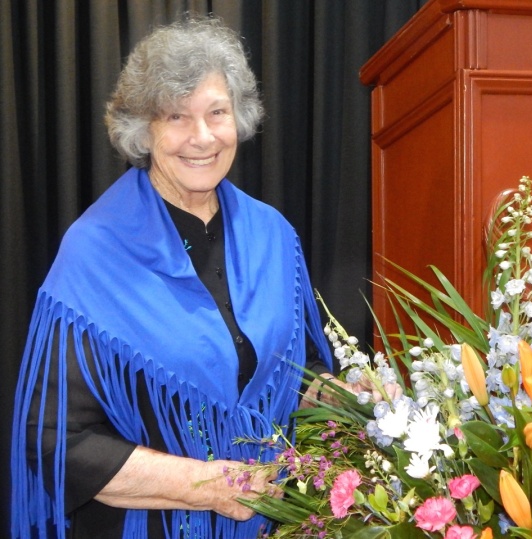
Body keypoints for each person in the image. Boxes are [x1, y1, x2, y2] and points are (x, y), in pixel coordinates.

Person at [11, 16, 392, 539]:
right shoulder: (95, 248)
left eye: (218, 112)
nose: (203, 137)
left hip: (272, 524)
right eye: (176, 116)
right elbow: (54, 437)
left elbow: (294, 373)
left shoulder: (274, 235)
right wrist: (206, 484)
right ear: (145, 131)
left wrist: (350, 397)